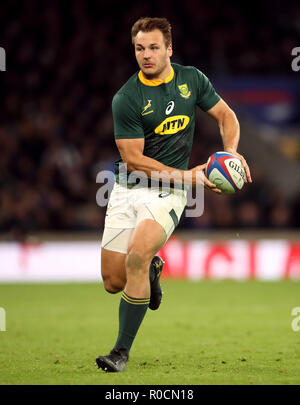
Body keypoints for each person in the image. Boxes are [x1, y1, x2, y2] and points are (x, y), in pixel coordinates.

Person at [95, 17, 251, 372]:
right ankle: (152, 268)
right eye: (139, 48)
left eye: (153, 47)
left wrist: (231, 152)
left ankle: (119, 353)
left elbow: (226, 116)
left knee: (135, 256)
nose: (146, 55)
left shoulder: (191, 80)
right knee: (112, 281)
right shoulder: (127, 98)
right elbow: (133, 162)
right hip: (127, 190)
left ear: (169, 49)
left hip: (169, 193)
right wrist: (191, 175)